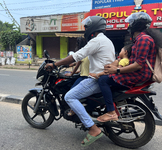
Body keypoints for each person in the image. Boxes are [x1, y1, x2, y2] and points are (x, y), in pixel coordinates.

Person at [45, 16, 115, 146]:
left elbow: (76, 56)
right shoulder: (107, 40)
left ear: (92, 28)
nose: (85, 30)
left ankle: (93, 128)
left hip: (96, 79)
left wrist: (55, 64)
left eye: (86, 27)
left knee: (69, 96)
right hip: (103, 77)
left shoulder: (96, 41)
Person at [96, 12, 162, 123]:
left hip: (139, 74)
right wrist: (114, 65)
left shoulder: (143, 39)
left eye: (130, 22)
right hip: (139, 72)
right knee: (107, 76)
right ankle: (114, 104)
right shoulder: (140, 39)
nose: (128, 25)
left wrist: (116, 70)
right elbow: (132, 60)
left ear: (135, 25)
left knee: (103, 80)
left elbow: (138, 64)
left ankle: (111, 112)